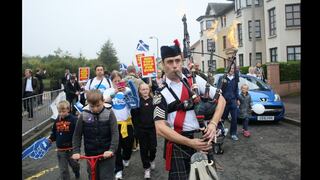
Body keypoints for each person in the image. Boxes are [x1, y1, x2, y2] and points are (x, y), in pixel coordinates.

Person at [153, 40, 226, 179]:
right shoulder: (160, 93)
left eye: (177, 60)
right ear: (163, 64)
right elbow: (160, 127)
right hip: (179, 143)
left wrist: (213, 124)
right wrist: (190, 143)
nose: (175, 65)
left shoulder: (195, 80)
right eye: (169, 62)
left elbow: (221, 100)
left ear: (182, 61)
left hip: (202, 138)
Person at [72, 90, 119, 180]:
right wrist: (76, 151)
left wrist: (112, 149)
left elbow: (115, 133)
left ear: (103, 101)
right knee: (93, 177)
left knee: (106, 177)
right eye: (92, 106)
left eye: (98, 106)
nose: (95, 109)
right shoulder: (84, 115)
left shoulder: (109, 113)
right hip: (91, 155)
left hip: (107, 154)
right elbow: (77, 135)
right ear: (88, 103)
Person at [103, 71, 135, 180]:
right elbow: (104, 102)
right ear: (112, 82)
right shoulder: (108, 91)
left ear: (122, 80)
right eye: (115, 81)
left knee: (129, 144)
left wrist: (125, 92)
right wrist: (115, 93)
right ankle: (118, 170)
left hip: (127, 122)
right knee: (116, 148)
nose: (117, 82)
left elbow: (133, 102)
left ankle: (126, 157)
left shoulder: (128, 90)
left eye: (119, 80)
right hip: (114, 124)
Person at [48, 100, 80, 180]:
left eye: (63, 111)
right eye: (59, 112)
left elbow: (78, 133)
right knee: (63, 170)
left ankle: (76, 171)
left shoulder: (73, 119)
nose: (61, 113)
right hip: (60, 150)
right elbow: (54, 132)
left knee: (74, 165)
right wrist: (51, 139)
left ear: (68, 110)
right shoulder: (57, 120)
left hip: (71, 149)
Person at [131, 83, 157, 179]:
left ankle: (152, 159)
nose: (145, 91)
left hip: (152, 129)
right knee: (144, 149)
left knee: (153, 148)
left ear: (149, 90)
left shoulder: (154, 101)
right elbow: (134, 116)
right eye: (143, 89)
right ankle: (146, 168)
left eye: (146, 89)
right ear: (139, 91)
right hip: (141, 130)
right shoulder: (137, 102)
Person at [123, 65, 145, 152]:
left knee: (128, 125)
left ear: (127, 72)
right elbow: (146, 89)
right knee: (137, 125)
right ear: (134, 71)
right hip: (137, 106)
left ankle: (131, 145)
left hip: (126, 107)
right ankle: (138, 143)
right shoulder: (139, 81)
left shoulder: (122, 81)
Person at [219, 64, 240, 141]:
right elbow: (219, 89)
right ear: (227, 69)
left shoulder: (235, 78)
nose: (232, 70)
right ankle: (220, 131)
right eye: (230, 68)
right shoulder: (223, 78)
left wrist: (237, 99)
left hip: (233, 101)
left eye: (233, 69)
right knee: (222, 118)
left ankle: (233, 133)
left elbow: (236, 89)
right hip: (224, 101)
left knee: (234, 118)